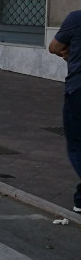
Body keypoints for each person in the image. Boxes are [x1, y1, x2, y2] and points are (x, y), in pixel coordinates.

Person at [49, 11, 81, 212]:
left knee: (77, 144)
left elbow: (54, 47)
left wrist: (69, 50)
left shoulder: (76, 19)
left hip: (78, 90)